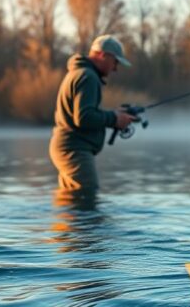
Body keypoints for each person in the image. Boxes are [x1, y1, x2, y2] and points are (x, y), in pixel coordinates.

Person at [49, 34, 135, 193]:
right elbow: (83, 117)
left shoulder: (81, 73)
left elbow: (83, 113)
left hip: (68, 149)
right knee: (86, 195)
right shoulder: (88, 77)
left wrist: (114, 115)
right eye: (115, 62)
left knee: (72, 202)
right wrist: (114, 119)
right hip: (74, 150)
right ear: (103, 55)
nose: (115, 68)